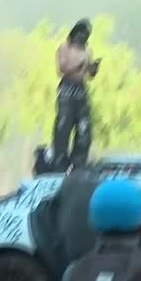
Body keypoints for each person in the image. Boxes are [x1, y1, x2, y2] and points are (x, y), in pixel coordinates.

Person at [54, 18, 100, 171]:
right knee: (63, 126)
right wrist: (78, 65)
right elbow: (62, 69)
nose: (83, 38)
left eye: (86, 35)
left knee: (84, 127)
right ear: (75, 33)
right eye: (82, 34)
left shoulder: (87, 51)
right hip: (67, 89)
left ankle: (79, 161)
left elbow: (89, 75)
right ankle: (60, 160)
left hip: (81, 89)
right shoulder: (64, 48)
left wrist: (93, 68)